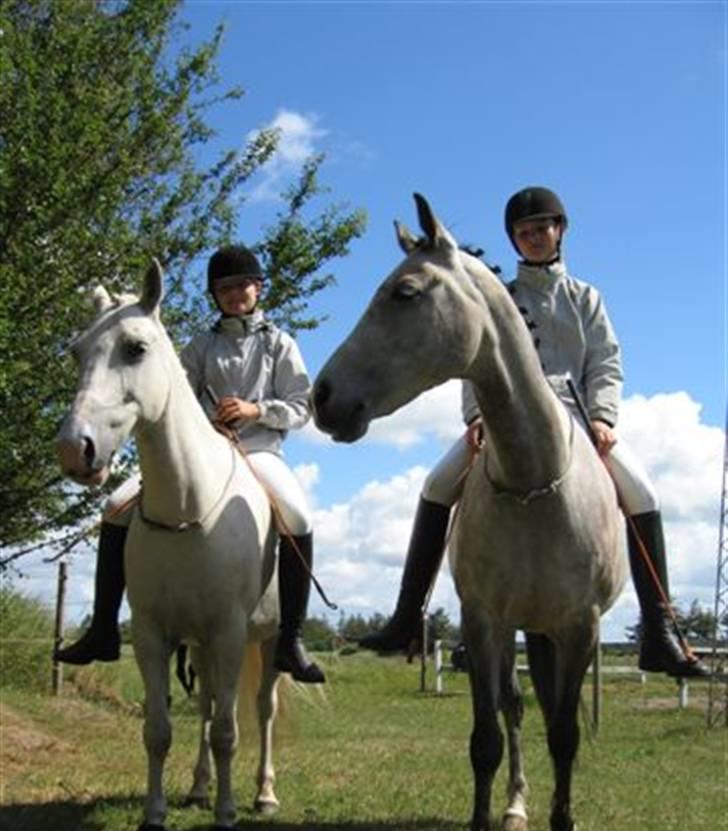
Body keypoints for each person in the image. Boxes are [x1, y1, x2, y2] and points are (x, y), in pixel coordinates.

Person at [360, 186, 708, 680]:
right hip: (504, 417)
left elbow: (606, 363)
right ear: (515, 241)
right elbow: (473, 357)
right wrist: (476, 418)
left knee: (643, 493)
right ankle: (405, 618)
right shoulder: (502, 296)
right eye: (524, 233)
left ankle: (659, 629)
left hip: (579, 416)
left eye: (541, 229)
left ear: (559, 231)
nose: (534, 238)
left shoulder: (585, 297)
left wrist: (605, 418)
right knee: (436, 484)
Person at [55, 244, 325, 684]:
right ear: (214, 295)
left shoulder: (280, 343)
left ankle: (291, 640)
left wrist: (257, 411)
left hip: (259, 453)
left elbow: (301, 406)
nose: (235, 294)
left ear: (258, 288)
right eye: (225, 287)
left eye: (242, 285)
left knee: (297, 512)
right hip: (203, 453)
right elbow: (173, 400)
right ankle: (103, 628)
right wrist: (206, 423)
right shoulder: (201, 345)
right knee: (116, 507)